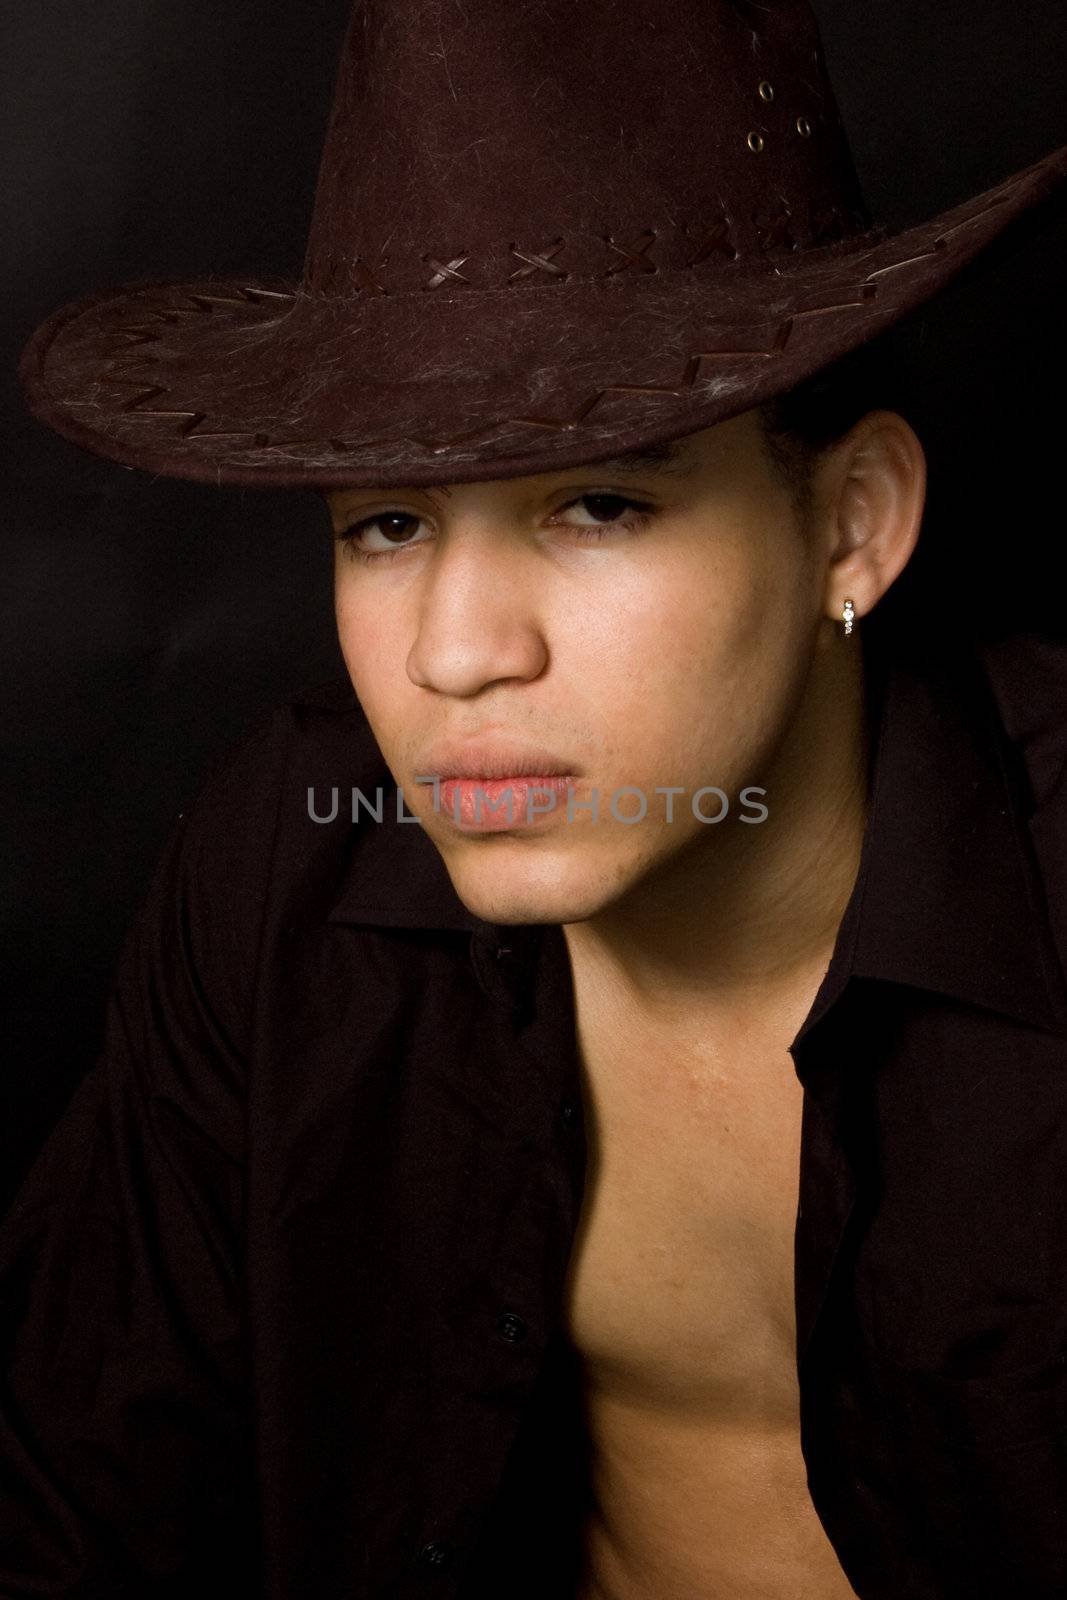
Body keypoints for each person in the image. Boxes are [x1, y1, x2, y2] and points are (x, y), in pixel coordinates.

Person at [7, 0, 1067, 1595]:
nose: (456, 654)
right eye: (385, 529)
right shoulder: (287, 870)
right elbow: (74, 1503)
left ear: (853, 524)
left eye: (598, 500)